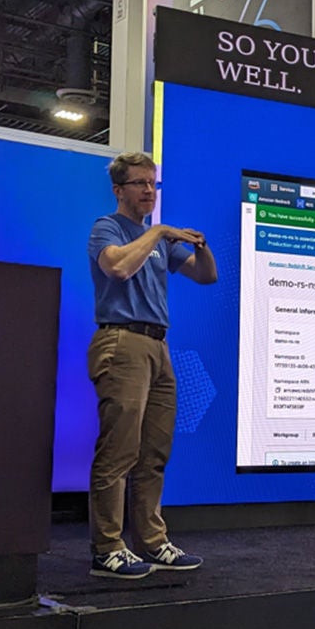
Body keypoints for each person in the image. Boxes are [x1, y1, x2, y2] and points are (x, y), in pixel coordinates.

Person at [86, 151, 218, 579]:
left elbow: (205, 276)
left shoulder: (159, 244)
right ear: (119, 190)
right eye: (140, 183)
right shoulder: (108, 228)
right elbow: (118, 268)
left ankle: (152, 541)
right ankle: (107, 548)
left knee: (154, 452)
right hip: (121, 341)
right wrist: (159, 230)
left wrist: (202, 246)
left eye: (152, 184)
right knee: (119, 451)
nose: (148, 190)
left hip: (158, 346)